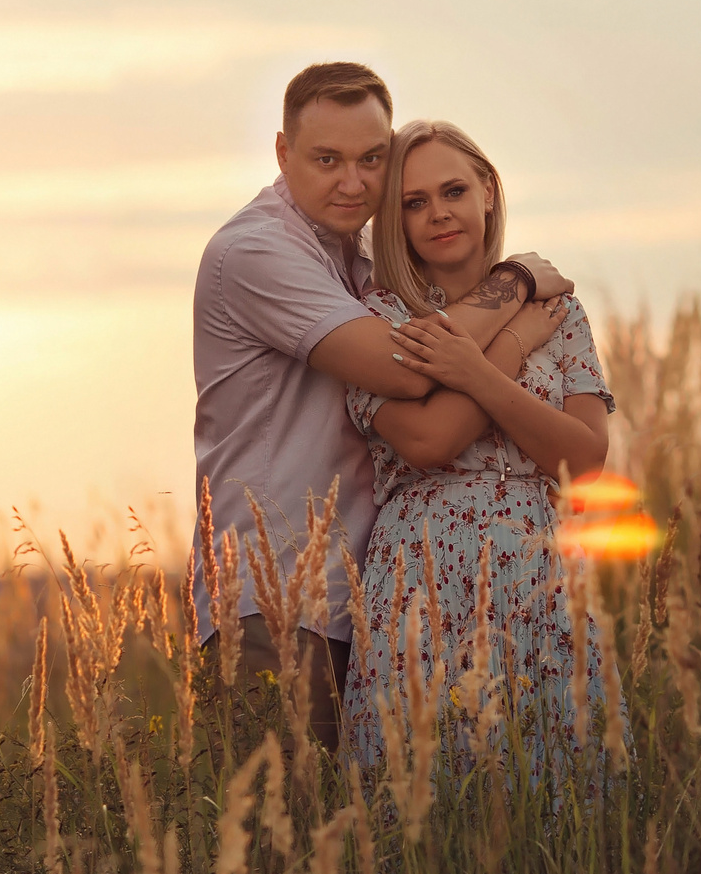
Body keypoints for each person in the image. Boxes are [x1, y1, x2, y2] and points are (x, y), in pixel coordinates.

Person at [191, 63, 571, 750]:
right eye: (326, 159)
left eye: (372, 160)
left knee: (361, 843)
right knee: (278, 847)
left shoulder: (362, 257)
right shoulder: (255, 251)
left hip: (363, 606)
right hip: (274, 603)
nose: (353, 181)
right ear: (283, 153)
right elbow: (405, 368)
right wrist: (514, 287)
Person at [340, 118, 620, 779]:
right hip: (422, 576)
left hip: (540, 573)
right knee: (426, 794)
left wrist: (477, 372)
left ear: (487, 191)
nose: (438, 213)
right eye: (414, 203)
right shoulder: (375, 321)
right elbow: (431, 441)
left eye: (453, 190)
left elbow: (584, 462)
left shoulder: (560, 313)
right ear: (395, 221)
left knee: (555, 787)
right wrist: (512, 341)